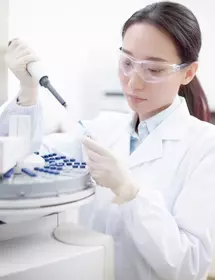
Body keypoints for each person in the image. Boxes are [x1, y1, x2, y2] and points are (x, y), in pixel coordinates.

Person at [1, 1, 215, 279]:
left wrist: (131, 194)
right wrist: (27, 94)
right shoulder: (102, 129)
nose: (133, 83)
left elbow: (190, 265)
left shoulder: (205, 147)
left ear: (188, 72)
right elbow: (21, 157)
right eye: (127, 63)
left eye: (154, 69)